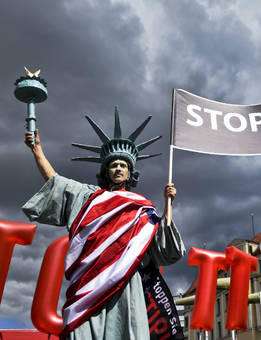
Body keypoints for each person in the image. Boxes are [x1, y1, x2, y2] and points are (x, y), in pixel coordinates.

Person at [22, 109, 185, 340]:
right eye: (113, 164)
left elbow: (164, 251)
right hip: (89, 285)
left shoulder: (142, 210)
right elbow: (57, 183)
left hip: (127, 286)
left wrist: (169, 204)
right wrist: (37, 151)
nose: (118, 168)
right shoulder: (89, 198)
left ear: (130, 172)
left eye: (123, 165)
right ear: (105, 170)